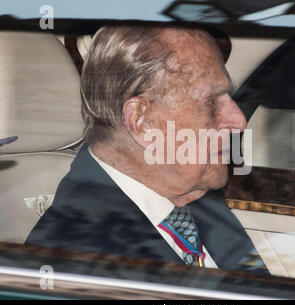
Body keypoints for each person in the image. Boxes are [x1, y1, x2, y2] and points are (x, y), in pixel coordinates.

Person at [25, 23, 269, 274]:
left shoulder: (194, 198)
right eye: (210, 101)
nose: (238, 120)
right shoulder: (73, 262)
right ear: (142, 121)